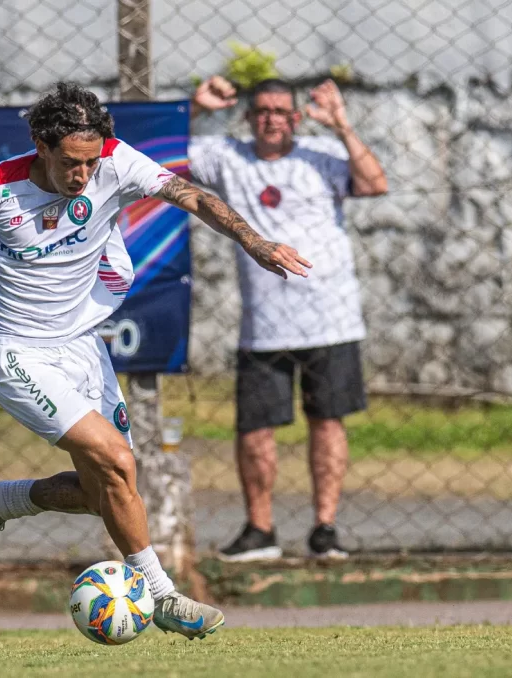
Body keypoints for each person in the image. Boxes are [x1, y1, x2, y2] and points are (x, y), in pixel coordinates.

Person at [0, 82, 311, 640]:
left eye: (91, 162)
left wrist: (255, 242)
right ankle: (164, 596)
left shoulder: (115, 161)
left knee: (108, 488)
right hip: (17, 353)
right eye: (70, 163)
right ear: (40, 145)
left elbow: (192, 195)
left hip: (84, 349)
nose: (83, 176)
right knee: (116, 463)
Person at [188, 76, 388, 562]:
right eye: (262, 111)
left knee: (327, 421)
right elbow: (158, 158)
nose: (271, 118)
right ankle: (261, 530)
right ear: (248, 117)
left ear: (296, 118)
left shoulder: (320, 155)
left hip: (332, 318)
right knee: (254, 429)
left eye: (281, 111)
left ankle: (325, 529)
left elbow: (373, 183)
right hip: (264, 325)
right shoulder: (227, 156)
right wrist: (195, 108)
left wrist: (340, 123)